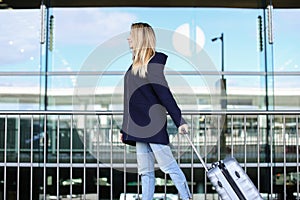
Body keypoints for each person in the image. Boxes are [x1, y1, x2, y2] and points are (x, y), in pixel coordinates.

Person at [120, 22, 192, 200]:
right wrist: (125, 129)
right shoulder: (136, 64)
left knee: (168, 166)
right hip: (138, 127)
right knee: (145, 171)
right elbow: (131, 101)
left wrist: (179, 120)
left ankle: (186, 197)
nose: (128, 38)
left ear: (140, 38)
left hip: (152, 126)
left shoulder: (153, 63)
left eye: (131, 35)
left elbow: (164, 94)